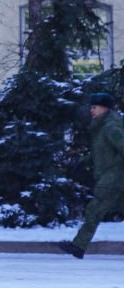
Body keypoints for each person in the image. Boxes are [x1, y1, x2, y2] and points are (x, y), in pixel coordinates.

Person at [59, 91, 124, 259]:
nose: (91, 111)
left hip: (113, 179)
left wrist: (114, 173)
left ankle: (78, 246)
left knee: (94, 210)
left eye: (94, 107)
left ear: (105, 108)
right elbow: (102, 153)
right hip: (113, 178)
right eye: (91, 107)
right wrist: (82, 161)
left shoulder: (111, 128)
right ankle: (78, 246)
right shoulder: (103, 127)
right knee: (95, 211)